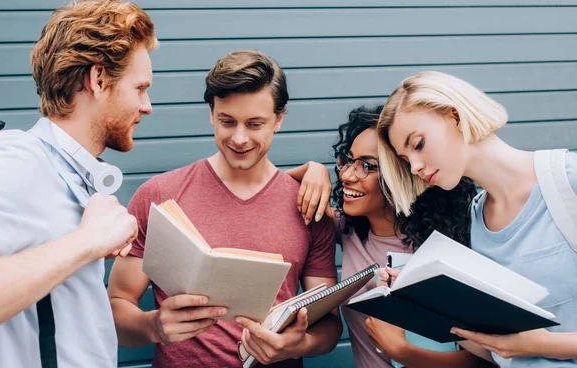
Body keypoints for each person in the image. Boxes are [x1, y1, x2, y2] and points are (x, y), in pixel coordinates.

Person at [107, 49, 342, 367]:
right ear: (211, 113)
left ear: (279, 118)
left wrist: (299, 344)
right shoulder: (159, 195)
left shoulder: (308, 206)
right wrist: (154, 326)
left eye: (255, 124)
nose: (240, 138)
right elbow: (118, 304)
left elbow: (328, 322)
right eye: (227, 122)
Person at [0, 0, 156, 367]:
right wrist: (87, 242)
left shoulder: (73, 176)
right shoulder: (19, 158)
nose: (147, 106)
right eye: (140, 88)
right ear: (98, 78)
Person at [375, 70, 577, 366]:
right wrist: (426, 303)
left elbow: (522, 346)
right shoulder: (475, 219)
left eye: (418, 144)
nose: (415, 166)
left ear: (455, 117)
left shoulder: (568, 181)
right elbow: (497, 350)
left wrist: (541, 343)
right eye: (406, 160)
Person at [290, 105, 495, 368]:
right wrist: (313, 170)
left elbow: (487, 358)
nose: (346, 175)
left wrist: (402, 352)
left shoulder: (449, 249)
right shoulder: (347, 229)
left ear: (401, 174)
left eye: (366, 166)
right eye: (348, 161)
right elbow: (268, 186)